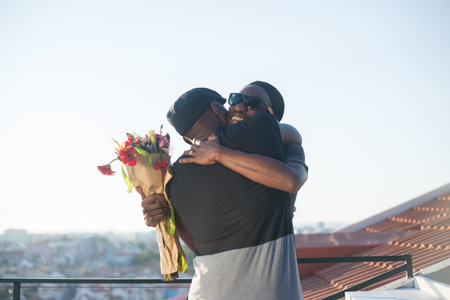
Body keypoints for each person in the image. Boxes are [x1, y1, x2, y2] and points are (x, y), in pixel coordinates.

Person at [147, 87, 302, 299]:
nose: (237, 107)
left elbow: (198, 246)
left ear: (185, 138)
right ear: (217, 108)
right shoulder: (258, 130)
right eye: (234, 100)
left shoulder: (173, 178)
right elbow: (291, 135)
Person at [179, 81, 308, 214]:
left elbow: (292, 180)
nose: (239, 107)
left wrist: (219, 153)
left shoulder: (288, 147)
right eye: (235, 99)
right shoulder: (206, 149)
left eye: (253, 103)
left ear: (272, 118)